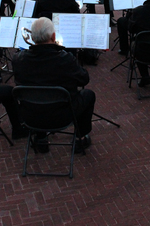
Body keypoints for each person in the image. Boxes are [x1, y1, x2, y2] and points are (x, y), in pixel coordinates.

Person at [12, 17, 96, 151]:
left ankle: (41, 139)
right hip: (63, 115)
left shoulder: (18, 59)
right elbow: (84, 79)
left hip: (31, 116)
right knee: (88, 95)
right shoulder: (65, 59)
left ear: (32, 38)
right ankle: (80, 139)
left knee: (38, 94)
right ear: (53, 36)